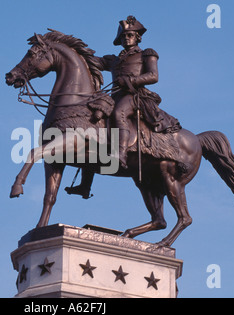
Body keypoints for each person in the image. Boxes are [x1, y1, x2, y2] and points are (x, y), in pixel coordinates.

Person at [65, 15, 181, 199]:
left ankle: (121, 153)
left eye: (130, 35)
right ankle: (85, 185)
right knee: (91, 127)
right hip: (115, 96)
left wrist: (131, 80)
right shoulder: (114, 59)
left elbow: (153, 76)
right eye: (124, 36)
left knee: (119, 112)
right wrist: (72, 50)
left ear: (137, 37)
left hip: (135, 96)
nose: (127, 38)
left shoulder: (146, 54)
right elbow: (92, 61)